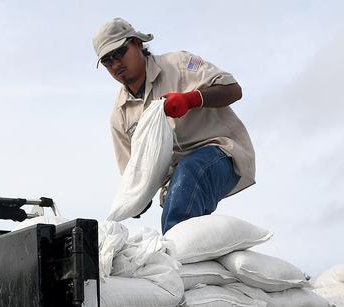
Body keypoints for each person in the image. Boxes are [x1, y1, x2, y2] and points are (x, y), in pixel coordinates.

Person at [93, 18, 256, 233]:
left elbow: (233, 90)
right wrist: (135, 202)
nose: (115, 64)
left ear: (137, 44)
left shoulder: (178, 65)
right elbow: (134, 173)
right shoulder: (120, 116)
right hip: (176, 184)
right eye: (107, 61)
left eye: (119, 53)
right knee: (181, 212)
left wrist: (191, 99)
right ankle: (182, 255)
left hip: (220, 153)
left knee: (189, 173)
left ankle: (176, 259)